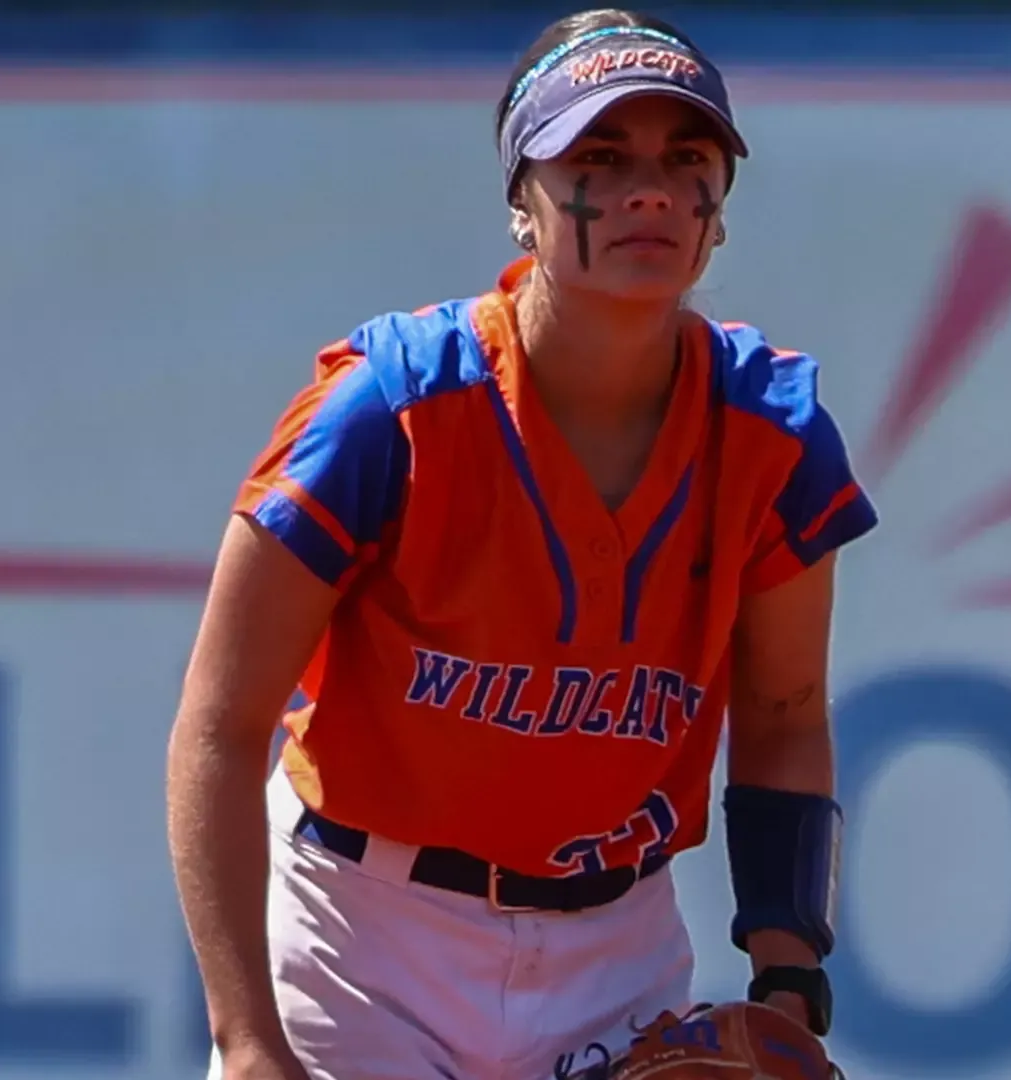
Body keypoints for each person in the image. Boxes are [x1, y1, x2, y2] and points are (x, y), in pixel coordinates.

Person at [166, 9, 879, 1080]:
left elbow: (781, 713)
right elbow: (221, 728)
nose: (648, 189)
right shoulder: (392, 411)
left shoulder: (771, 431)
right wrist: (248, 1039)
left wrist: (788, 970)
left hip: (613, 947)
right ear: (522, 206)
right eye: (598, 155)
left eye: (686, 158)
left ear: (718, 210)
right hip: (365, 935)